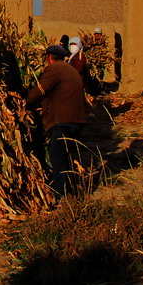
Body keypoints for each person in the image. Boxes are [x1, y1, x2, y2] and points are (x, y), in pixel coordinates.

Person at [27, 44, 89, 199]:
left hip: (63, 120)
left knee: (56, 157)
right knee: (64, 155)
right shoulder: (70, 69)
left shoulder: (54, 69)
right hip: (77, 119)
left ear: (49, 57)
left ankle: (61, 196)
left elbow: (40, 90)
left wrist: (26, 102)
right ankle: (72, 191)